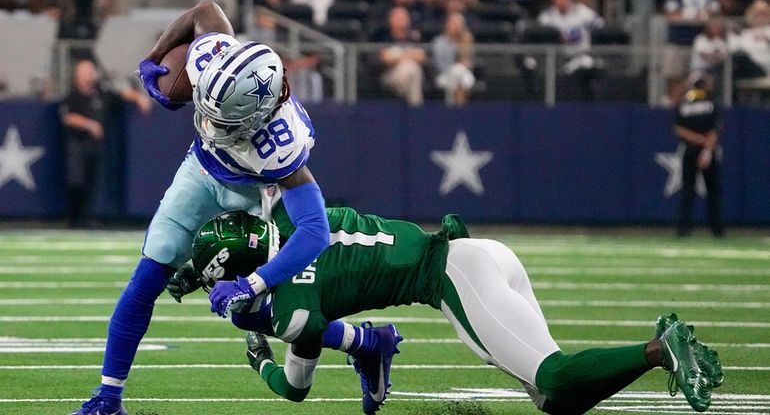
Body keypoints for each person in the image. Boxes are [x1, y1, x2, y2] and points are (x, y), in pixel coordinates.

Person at [177, 205, 724, 415]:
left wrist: (258, 344)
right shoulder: (299, 219)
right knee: (555, 401)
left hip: (456, 277)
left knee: (553, 378)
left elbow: (304, 347)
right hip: (479, 256)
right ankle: (655, 350)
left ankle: (661, 349)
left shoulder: (292, 303)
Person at [71, 1, 331, 415]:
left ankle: (363, 341)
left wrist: (254, 283)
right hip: (200, 172)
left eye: (221, 119)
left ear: (254, 117)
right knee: (148, 276)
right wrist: (154, 58)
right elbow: (205, 11)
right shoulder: (216, 59)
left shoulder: (281, 146)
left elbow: (316, 230)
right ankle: (108, 398)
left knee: (261, 313)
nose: (208, 123)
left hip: (253, 198)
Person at [59, 58, 150, 228]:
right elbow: (68, 117)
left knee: (94, 182)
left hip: (97, 145)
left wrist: (139, 97)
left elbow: (120, 95)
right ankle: (72, 218)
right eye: (84, 72)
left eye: (89, 71)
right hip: (77, 144)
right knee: (76, 181)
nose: (88, 76)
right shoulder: (72, 95)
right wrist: (89, 125)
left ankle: (87, 218)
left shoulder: (100, 92)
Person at [674, 75, 724, 237]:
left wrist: (700, 142)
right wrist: (707, 149)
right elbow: (714, 131)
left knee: (688, 190)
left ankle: (684, 229)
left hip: (690, 149)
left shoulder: (684, 104)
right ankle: (716, 229)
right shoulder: (711, 104)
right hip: (707, 150)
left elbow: (679, 130)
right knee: (712, 191)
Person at [536, 0, 605, 100]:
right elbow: (541, 31)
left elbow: (600, 25)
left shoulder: (581, 10)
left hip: (582, 55)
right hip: (557, 59)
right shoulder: (548, 15)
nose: (561, 1)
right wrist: (558, 35)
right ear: (553, 0)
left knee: (592, 69)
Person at [378, 6, 426, 106]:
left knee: (412, 69)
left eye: (404, 17)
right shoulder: (384, 36)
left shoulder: (414, 38)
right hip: (389, 75)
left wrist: (401, 57)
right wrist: (405, 55)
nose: (402, 21)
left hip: (411, 74)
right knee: (411, 68)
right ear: (391, 20)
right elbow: (385, 58)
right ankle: (416, 109)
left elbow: (422, 56)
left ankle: (411, 107)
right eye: (398, 18)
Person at [432, 12, 476, 106]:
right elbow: (440, 65)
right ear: (447, 25)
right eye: (454, 24)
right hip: (444, 75)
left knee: (461, 76)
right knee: (457, 72)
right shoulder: (439, 42)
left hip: (464, 74)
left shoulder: (466, 40)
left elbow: (472, 61)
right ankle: (458, 109)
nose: (457, 27)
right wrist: (457, 66)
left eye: (459, 24)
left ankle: (453, 108)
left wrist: (467, 64)